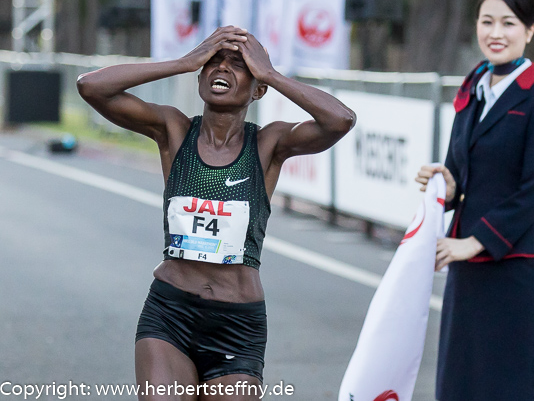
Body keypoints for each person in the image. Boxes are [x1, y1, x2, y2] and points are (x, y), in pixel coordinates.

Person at [77, 26, 356, 400]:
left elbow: (340, 120)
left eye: (238, 64)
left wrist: (270, 72)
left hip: (236, 324)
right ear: (200, 77)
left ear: (258, 89)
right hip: (169, 313)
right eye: (212, 62)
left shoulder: (268, 143)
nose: (220, 68)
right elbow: (91, 87)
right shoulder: (174, 131)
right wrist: (182, 61)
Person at [415, 0, 534, 401]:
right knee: (461, 382)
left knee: (510, 384)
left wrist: (475, 242)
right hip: (467, 271)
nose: (496, 33)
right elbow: (460, 175)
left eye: (509, 23)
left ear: (530, 30)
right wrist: (445, 186)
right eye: (487, 22)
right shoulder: (472, 91)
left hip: (512, 267)